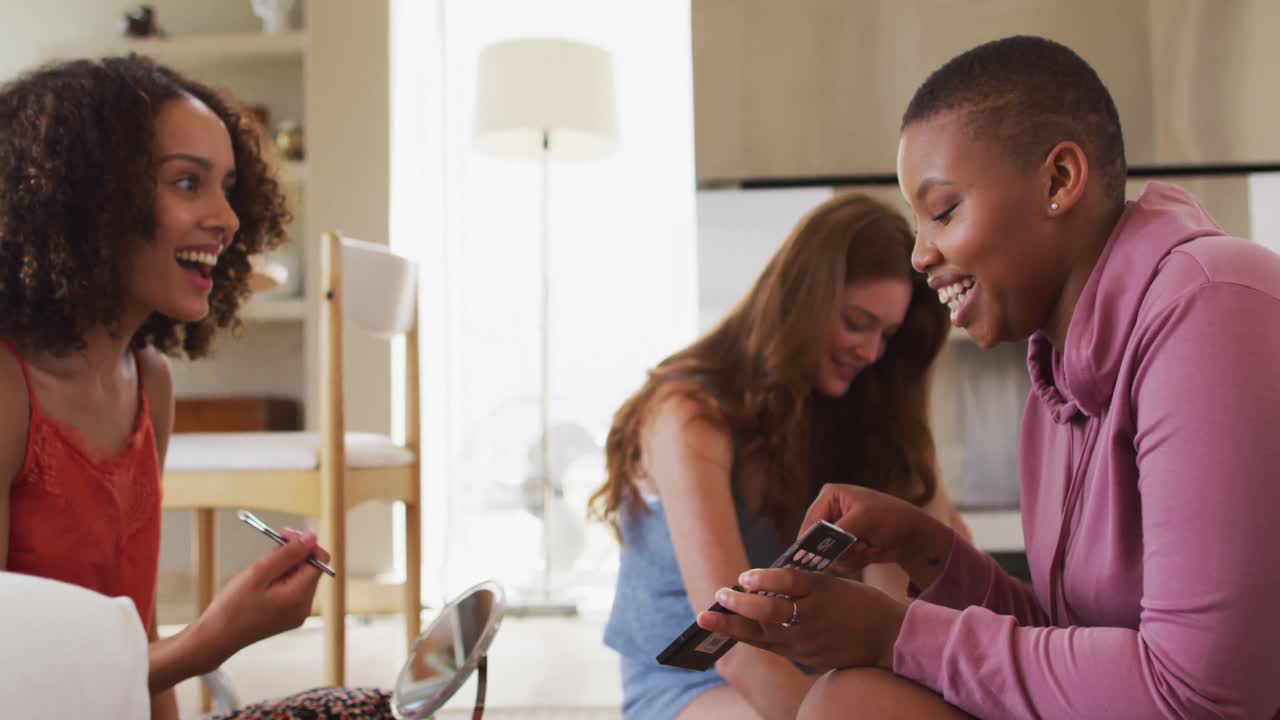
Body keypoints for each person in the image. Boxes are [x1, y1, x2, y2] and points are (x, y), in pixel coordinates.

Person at [698, 35, 1280, 719]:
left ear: (1059, 180)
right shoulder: (1056, 389)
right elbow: (1071, 643)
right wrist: (932, 551)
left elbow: (1204, 693)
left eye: (942, 211)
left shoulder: (1213, 307)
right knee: (849, 699)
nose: (921, 253)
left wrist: (896, 634)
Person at [0, 55, 388, 719]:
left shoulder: (149, 381)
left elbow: (136, 631)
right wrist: (211, 641)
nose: (229, 219)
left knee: (376, 706)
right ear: (91, 199)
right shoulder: (9, 386)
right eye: (188, 182)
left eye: (229, 187)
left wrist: (191, 654)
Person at [590, 192, 971, 720]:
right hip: (689, 683)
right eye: (857, 322)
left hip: (805, 673)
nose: (871, 352)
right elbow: (734, 650)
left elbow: (910, 604)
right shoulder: (687, 415)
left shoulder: (844, 409)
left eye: (886, 335)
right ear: (801, 301)